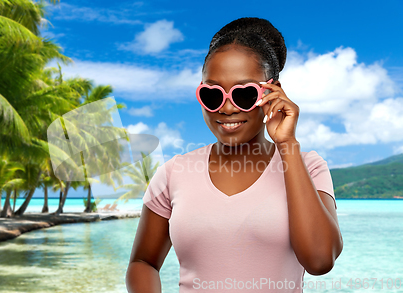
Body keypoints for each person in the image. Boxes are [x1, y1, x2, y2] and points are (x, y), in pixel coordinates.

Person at [126, 17, 343, 292]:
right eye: (213, 95)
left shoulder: (308, 167)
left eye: (243, 94)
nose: (227, 109)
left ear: (272, 91)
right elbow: (143, 262)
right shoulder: (173, 173)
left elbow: (320, 259)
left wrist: (287, 144)